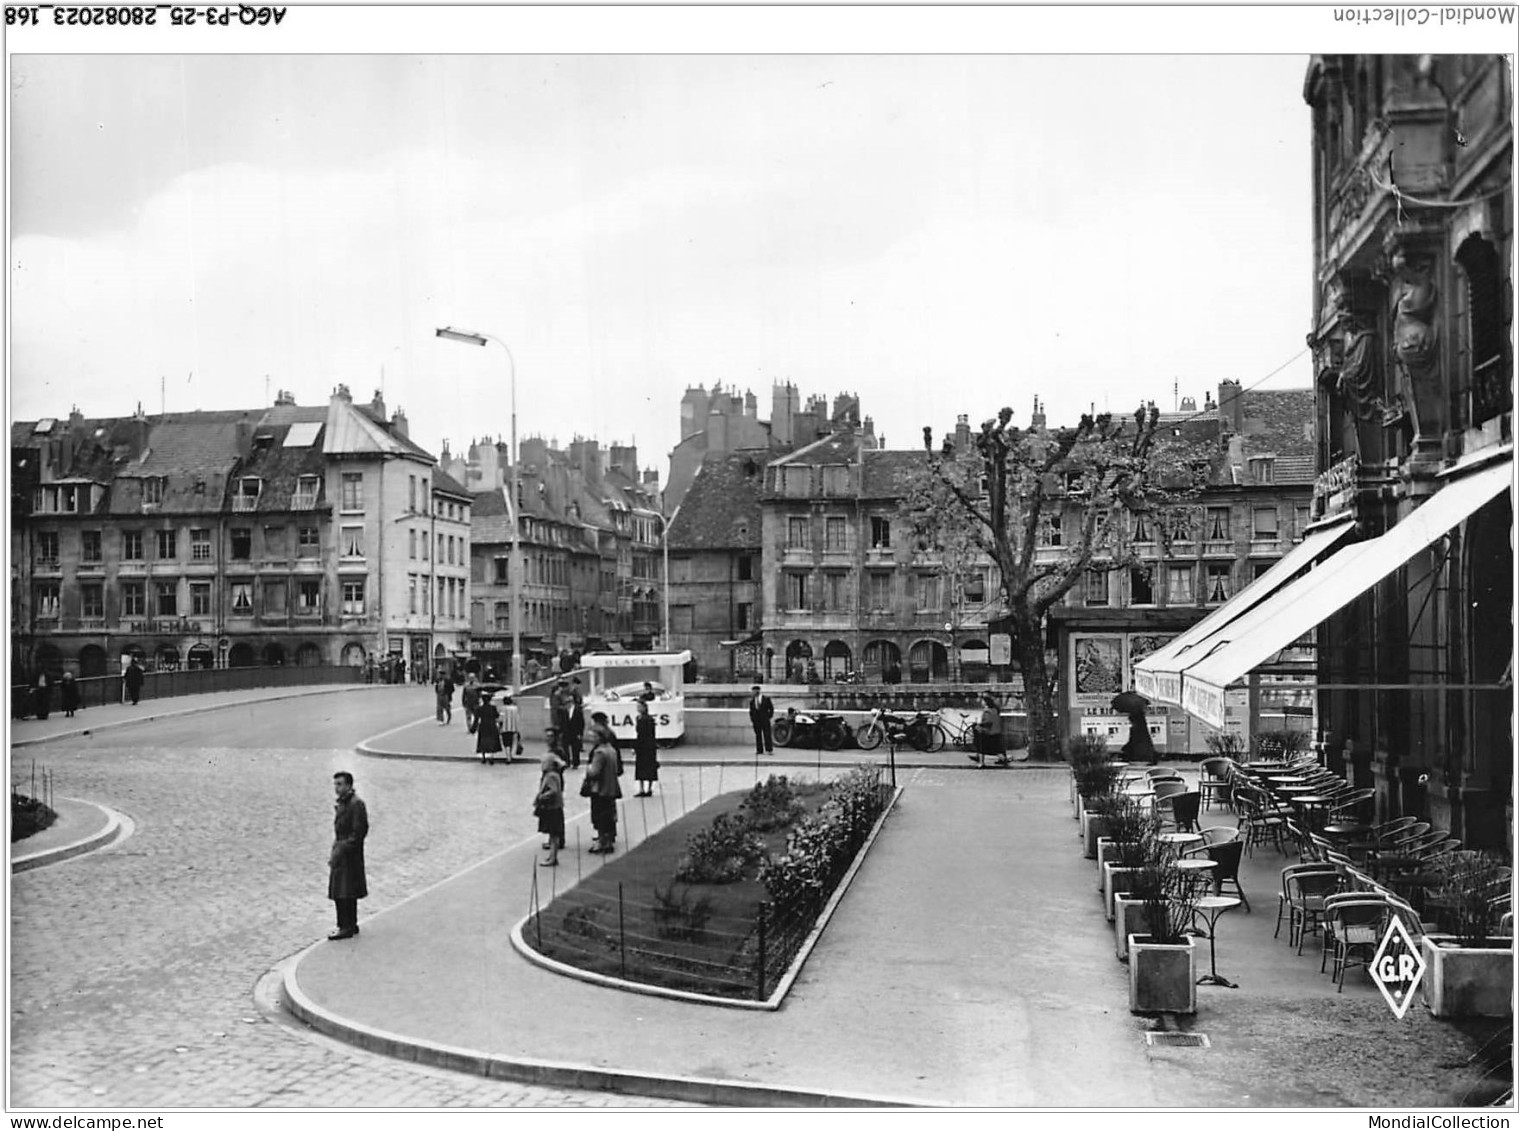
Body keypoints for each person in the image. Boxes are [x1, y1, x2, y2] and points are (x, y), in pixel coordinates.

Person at [327, 771, 368, 941]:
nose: (337, 788)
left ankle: (346, 926)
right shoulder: (346, 803)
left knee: (345, 891)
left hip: (348, 853)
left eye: (340, 784)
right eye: (335, 784)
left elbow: (359, 831)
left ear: (349, 785)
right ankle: (348, 923)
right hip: (343, 850)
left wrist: (343, 848)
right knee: (342, 890)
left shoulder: (355, 804)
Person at [585, 712, 623, 854]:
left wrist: (588, 768)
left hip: (600, 788)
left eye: (593, 736)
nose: (591, 738)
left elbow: (594, 772)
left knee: (600, 815)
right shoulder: (611, 749)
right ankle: (608, 839)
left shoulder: (600, 752)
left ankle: (603, 841)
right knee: (608, 813)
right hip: (611, 786)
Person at [534, 751, 566, 866]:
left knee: (553, 834)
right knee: (554, 834)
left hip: (552, 808)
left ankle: (553, 858)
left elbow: (554, 791)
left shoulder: (551, 776)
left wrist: (542, 796)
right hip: (555, 807)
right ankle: (552, 856)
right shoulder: (554, 774)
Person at [633, 699, 658, 797]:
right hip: (650, 746)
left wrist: (636, 747)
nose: (637, 708)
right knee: (649, 767)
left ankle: (643, 788)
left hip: (644, 746)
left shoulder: (643, 719)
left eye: (639, 706)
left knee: (642, 767)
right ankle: (648, 789)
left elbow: (640, 734)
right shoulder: (648, 719)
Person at [976, 693, 1009, 766]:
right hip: (996, 731)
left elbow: (988, 722)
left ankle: (981, 763)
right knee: (996, 750)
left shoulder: (987, 711)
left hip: (989, 733)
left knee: (982, 748)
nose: (982, 702)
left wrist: (979, 725)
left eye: (983, 701)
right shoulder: (995, 710)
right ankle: (1003, 759)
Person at [475, 691, 503, 765]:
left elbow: (476, 719)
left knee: (483, 741)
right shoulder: (493, 708)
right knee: (491, 741)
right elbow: (497, 716)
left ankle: (483, 757)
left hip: (483, 725)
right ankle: (491, 757)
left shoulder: (480, 708)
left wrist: (473, 728)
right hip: (491, 725)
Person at [748, 684, 775, 755]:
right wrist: (752, 719)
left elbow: (771, 708)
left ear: (757, 691)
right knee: (758, 735)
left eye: (753, 691)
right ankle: (759, 750)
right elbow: (751, 711)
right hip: (756, 720)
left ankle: (769, 749)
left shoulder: (766, 699)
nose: (752, 693)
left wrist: (769, 716)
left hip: (765, 719)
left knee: (767, 734)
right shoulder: (752, 701)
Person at [567, 677, 586, 766]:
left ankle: (575, 762)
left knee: (575, 747)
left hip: (575, 729)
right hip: (569, 729)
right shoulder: (574, 691)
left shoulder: (576, 709)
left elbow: (581, 722)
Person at [500, 693, 522, 762]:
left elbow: (501, 719)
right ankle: (511, 755)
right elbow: (518, 718)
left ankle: (508, 756)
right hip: (513, 728)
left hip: (505, 728)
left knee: (506, 743)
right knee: (512, 742)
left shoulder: (502, 709)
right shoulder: (515, 708)